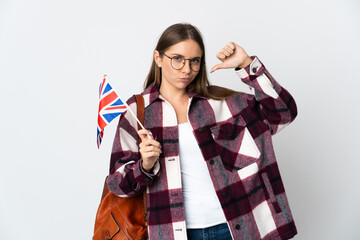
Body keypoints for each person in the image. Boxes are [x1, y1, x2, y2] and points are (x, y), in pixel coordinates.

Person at [107, 23, 298, 240]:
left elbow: (283, 113)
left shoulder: (223, 103)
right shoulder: (137, 114)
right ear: (158, 58)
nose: (187, 69)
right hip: (176, 233)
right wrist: (145, 166)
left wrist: (246, 65)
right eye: (177, 59)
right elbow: (117, 184)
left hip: (238, 227)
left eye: (194, 61)